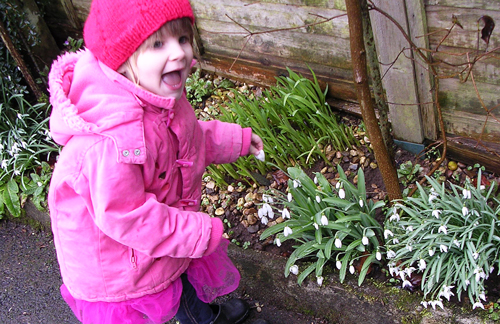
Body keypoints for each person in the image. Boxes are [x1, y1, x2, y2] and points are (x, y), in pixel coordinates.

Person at [47, 0, 269, 323]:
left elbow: (189, 140)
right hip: (120, 265)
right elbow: (132, 219)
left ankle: (202, 317)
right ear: (123, 63)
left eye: (182, 39)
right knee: (165, 285)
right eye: (157, 44)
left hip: (154, 242)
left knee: (177, 277)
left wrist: (239, 141)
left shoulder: (156, 97)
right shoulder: (109, 145)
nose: (178, 52)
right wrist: (198, 232)